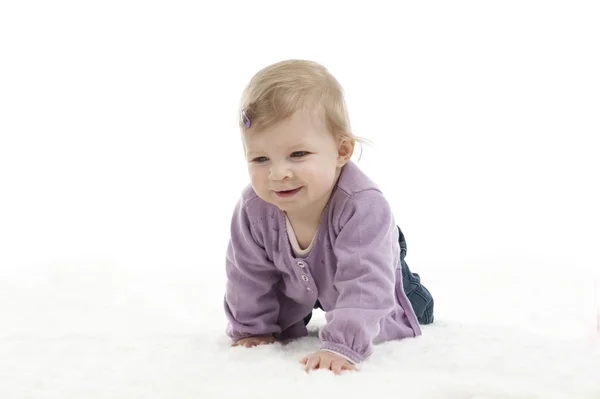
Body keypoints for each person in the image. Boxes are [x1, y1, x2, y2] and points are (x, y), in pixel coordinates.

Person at [224, 59, 434, 374]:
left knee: (409, 307)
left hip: (371, 259)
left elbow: (366, 282)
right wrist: (253, 328)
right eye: (261, 158)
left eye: (298, 154)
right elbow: (247, 275)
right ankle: (322, 301)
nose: (278, 173)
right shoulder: (254, 209)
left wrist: (343, 345)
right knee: (293, 297)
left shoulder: (362, 207)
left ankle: (411, 288)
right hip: (302, 281)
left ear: (341, 152)